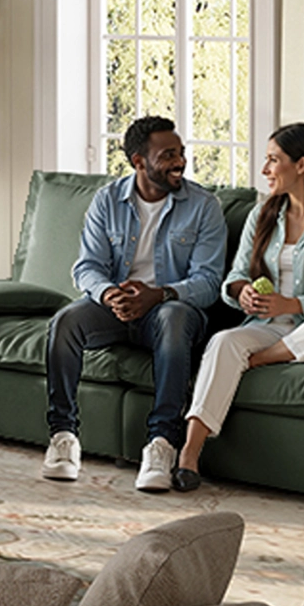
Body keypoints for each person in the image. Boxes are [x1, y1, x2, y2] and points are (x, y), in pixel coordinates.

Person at [171, 123, 304, 492]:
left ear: (301, 165)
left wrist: (295, 303)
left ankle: (257, 361)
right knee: (223, 342)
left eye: (273, 160)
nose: (265, 169)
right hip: (272, 325)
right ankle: (189, 454)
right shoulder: (263, 214)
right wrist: (243, 292)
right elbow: (234, 277)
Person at [43, 115, 227, 492]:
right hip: (116, 307)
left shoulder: (204, 207)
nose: (180, 162)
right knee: (65, 323)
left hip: (169, 309)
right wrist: (110, 294)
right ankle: (63, 437)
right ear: (138, 161)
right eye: (168, 155)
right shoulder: (107, 200)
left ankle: (162, 444)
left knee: (173, 319)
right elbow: (87, 267)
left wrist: (157, 295)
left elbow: (209, 284)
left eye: (181, 153)